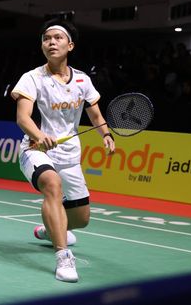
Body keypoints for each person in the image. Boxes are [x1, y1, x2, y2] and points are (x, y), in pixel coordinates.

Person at [10, 19, 115, 283]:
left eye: (57, 38)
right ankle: (63, 256)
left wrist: (106, 134)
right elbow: (23, 118)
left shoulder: (82, 80)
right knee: (52, 186)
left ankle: (51, 230)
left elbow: (95, 114)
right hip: (36, 150)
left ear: (70, 45)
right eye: (46, 38)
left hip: (69, 156)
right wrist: (39, 135)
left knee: (81, 219)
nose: (51, 42)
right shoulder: (32, 78)